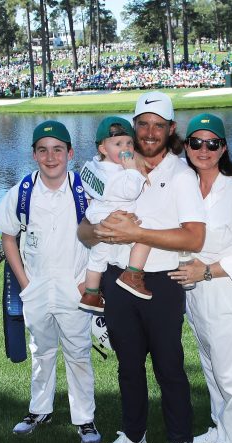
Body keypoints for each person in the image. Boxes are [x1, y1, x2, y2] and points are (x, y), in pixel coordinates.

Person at [78, 91, 206, 443]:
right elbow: (84, 233)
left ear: (171, 130)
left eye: (158, 125)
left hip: (161, 283)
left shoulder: (181, 175)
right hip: (117, 280)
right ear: (133, 128)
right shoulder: (110, 170)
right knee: (128, 365)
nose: (149, 132)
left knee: (169, 367)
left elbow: (193, 238)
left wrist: (139, 233)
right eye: (143, 124)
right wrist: (100, 230)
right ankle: (133, 434)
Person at [0, 120, 101, 443]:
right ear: (34, 154)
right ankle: (39, 410)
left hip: (75, 287)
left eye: (57, 150)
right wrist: (25, 283)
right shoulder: (22, 192)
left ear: (70, 153)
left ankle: (85, 419)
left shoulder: (86, 193)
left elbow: (104, 241)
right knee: (42, 350)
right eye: (43, 151)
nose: (50, 158)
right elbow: (8, 237)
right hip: (37, 287)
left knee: (79, 353)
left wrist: (89, 283)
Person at [168, 113, 232, 443]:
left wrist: (207, 270)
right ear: (187, 146)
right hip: (194, 294)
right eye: (196, 142)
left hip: (228, 292)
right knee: (210, 367)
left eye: (212, 143)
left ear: (223, 147)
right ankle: (219, 428)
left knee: (231, 373)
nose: (203, 150)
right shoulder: (185, 184)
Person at [78, 116, 154, 313]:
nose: (125, 148)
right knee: (146, 237)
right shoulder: (119, 172)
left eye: (129, 143)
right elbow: (131, 191)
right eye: (118, 143)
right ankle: (133, 274)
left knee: (97, 257)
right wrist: (132, 171)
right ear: (103, 149)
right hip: (120, 218)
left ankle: (91, 293)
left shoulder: (95, 165)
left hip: (98, 217)